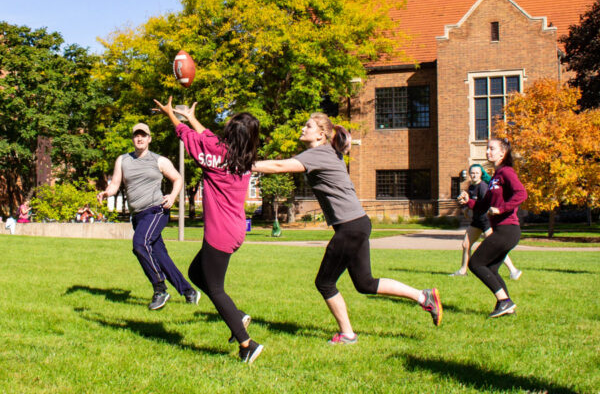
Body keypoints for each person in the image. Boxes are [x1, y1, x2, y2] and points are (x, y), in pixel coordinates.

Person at [253, 112, 442, 345]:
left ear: (321, 134)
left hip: (351, 227)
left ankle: (347, 334)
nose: (303, 128)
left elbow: (280, 165)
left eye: (308, 126)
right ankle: (423, 296)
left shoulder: (319, 153)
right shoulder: (329, 152)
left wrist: (245, 165)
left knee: (325, 282)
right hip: (358, 223)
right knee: (365, 283)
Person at [153, 97, 263, 364]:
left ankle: (247, 344)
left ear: (231, 135)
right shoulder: (243, 158)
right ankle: (237, 317)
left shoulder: (214, 154)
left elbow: (186, 135)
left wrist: (171, 115)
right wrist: (190, 117)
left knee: (214, 288)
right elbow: (206, 137)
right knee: (194, 273)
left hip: (220, 233)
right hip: (235, 229)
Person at [97, 122, 199, 311]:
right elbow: (115, 183)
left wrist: (173, 196)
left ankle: (160, 289)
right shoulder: (123, 160)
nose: (140, 138)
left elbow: (178, 178)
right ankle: (189, 292)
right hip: (138, 215)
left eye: (143, 135)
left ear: (149, 138)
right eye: (137, 135)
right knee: (160, 256)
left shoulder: (159, 160)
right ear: (133, 138)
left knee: (140, 244)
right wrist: (106, 193)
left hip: (156, 210)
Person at [458, 138, 527, 318]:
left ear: (502, 153)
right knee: (491, 268)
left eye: (492, 149)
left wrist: (501, 209)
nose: (488, 152)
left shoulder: (507, 172)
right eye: (487, 149)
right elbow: (484, 204)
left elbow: (521, 193)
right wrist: (469, 202)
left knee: (475, 263)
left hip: (508, 229)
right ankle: (506, 305)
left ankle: (504, 301)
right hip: (502, 230)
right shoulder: (495, 177)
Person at [451, 164, 522, 280]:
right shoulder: (471, 187)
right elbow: (472, 202)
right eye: (472, 173)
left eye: (477, 173)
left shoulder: (483, 186)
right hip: (476, 221)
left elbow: (485, 205)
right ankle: (463, 270)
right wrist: (466, 207)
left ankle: (513, 270)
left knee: (496, 247)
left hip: (485, 221)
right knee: (466, 244)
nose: (474, 175)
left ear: (481, 174)